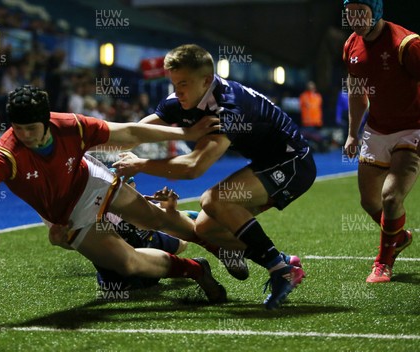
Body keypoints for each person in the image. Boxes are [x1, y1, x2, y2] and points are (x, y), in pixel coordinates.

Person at [0, 85, 227, 303]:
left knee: (156, 218)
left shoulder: (70, 126)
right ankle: (196, 269)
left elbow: (129, 131)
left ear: (46, 120)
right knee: (128, 265)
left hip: (90, 180)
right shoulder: (7, 155)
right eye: (18, 129)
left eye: (31, 128)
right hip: (67, 216)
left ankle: (219, 247)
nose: (25, 136)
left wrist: (185, 132)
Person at [113, 44, 313, 309]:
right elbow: (135, 132)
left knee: (215, 200)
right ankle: (284, 261)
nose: (177, 91)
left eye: (183, 83)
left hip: (293, 163)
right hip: (267, 162)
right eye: (174, 83)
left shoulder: (229, 107)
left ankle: (280, 269)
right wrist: (85, 143)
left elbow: (194, 167)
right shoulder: (182, 100)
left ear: (206, 80)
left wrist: (140, 164)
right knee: (206, 229)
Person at [342, 0, 419, 283]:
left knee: (390, 197)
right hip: (377, 129)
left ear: (377, 12)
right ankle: (398, 237)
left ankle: (383, 262)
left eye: (361, 12)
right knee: (369, 201)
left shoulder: (407, 44)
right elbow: (356, 91)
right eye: (350, 13)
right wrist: (353, 133)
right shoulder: (352, 44)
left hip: (413, 128)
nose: (356, 19)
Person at [49, 172, 192, 292]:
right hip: (117, 277)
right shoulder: (91, 213)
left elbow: (165, 222)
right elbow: (77, 241)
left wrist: (169, 209)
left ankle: (186, 219)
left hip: (146, 248)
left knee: (182, 242)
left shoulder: (138, 206)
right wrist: (60, 240)